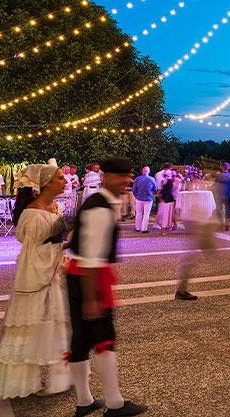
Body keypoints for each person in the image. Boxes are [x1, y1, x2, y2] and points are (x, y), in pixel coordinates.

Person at [66, 156, 146, 417]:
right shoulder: (100, 208)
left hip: (81, 274)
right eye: (122, 176)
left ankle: (84, 401)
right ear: (106, 177)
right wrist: (91, 298)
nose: (128, 180)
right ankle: (114, 404)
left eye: (130, 175)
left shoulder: (99, 203)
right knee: (104, 338)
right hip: (89, 277)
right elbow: (91, 256)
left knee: (81, 339)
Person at [0, 163, 70, 399]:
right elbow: (34, 246)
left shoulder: (56, 207)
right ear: (44, 184)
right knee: (31, 326)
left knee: (55, 323)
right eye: (60, 178)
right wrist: (60, 240)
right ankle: (25, 382)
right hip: (35, 275)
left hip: (52, 273)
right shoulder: (31, 213)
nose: (65, 182)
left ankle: (59, 379)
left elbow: (55, 241)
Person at [213, 162, 230, 231]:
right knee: (228, 211)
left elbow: (216, 186)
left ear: (222, 168)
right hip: (229, 195)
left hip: (219, 196)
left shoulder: (218, 176)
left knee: (219, 210)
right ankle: (227, 225)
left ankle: (221, 223)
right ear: (229, 168)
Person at [154, 163, 178, 236]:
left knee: (168, 214)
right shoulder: (166, 181)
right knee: (167, 214)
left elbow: (167, 191)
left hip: (167, 200)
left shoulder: (167, 181)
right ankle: (166, 228)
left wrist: (160, 194)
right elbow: (167, 191)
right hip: (167, 200)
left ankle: (167, 227)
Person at [131, 166, 157, 234]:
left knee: (138, 213)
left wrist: (136, 196)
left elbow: (133, 190)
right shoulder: (152, 179)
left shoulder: (137, 179)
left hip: (139, 198)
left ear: (142, 171)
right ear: (149, 171)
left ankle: (137, 227)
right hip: (148, 199)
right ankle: (144, 229)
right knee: (146, 214)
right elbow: (155, 189)